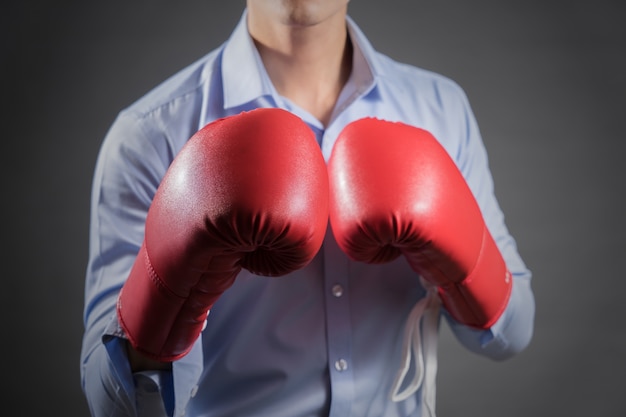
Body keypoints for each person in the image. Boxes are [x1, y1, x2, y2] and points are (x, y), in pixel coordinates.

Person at [80, 1, 535, 416]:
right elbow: (112, 404)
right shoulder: (149, 135)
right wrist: (170, 286)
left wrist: (463, 263)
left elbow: (512, 333)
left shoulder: (440, 110)